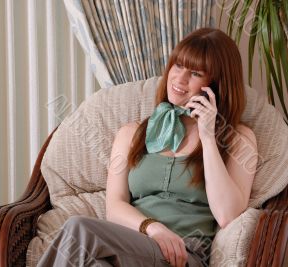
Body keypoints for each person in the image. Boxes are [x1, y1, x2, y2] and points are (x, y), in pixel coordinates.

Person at [37, 27, 258, 267]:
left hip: (183, 255)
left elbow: (228, 216)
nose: (179, 79)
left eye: (195, 73)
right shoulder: (131, 134)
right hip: (131, 245)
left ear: (215, 85)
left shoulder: (237, 139)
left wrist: (208, 136)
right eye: (178, 66)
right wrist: (153, 228)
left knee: (77, 227)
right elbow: (115, 205)